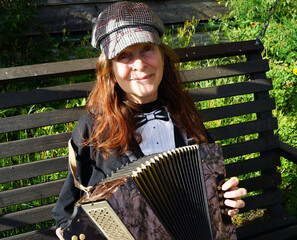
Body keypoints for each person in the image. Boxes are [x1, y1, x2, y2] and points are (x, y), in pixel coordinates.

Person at [52, 1, 247, 239]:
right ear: (110, 70)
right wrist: (70, 232)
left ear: (162, 56)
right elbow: (65, 212)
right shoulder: (92, 128)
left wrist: (226, 201)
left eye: (147, 49)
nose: (140, 64)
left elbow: (212, 192)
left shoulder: (185, 117)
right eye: (124, 56)